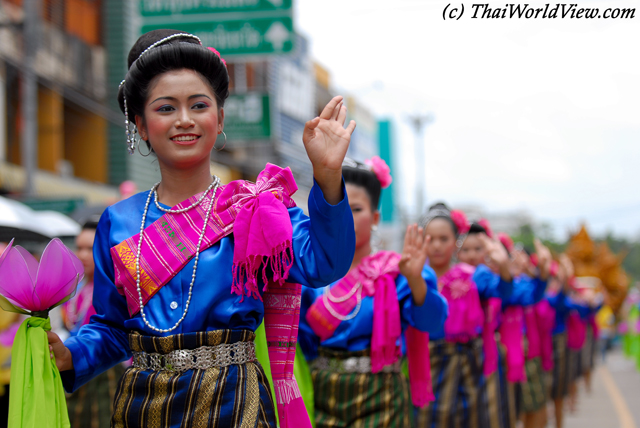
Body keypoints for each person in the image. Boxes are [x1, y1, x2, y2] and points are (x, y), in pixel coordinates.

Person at [46, 29, 357, 428]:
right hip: (144, 406)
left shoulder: (255, 206)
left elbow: (324, 262)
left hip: (235, 402)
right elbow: (111, 326)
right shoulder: (118, 222)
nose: (184, 120)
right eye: (165, 108)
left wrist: (328, 177)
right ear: (140, 125)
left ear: (219, 118)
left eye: (198, 105)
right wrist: (71, 355)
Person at [298, 158, 448, 427]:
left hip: (382, 396)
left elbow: (433, 324)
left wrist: (415, 281)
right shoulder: (307, 272)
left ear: (375, 217)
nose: (345, 218)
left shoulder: (398, 271)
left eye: (355, 209)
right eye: (339, 209)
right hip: (321, 392)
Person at [61, 218, 127, 428]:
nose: (82, 255)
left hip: (105, 371)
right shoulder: (73, 288)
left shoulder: (117, 289)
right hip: (74, 368)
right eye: (79, 247)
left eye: (90, 248)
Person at [457, 221, 514, 428]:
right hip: (450, 356)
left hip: (480, 353)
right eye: (465, 250)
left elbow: (504, 291)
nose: (471, 255)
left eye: (478, 249)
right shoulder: (446, 276)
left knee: (487, 414)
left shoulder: (482, 276)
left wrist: (505, 266)